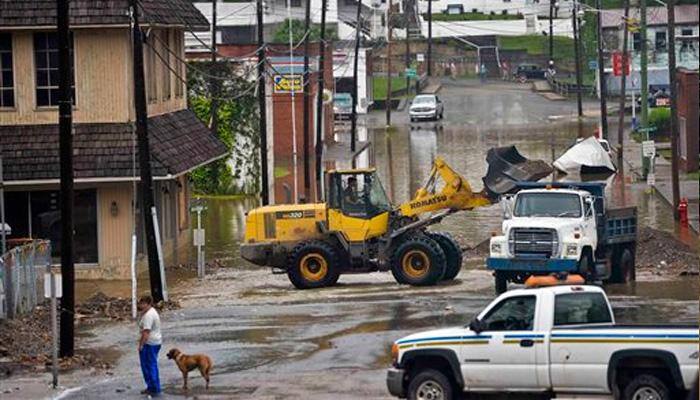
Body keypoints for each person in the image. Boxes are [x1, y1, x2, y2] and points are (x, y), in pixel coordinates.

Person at [137, 295, 162, 396]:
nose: (140, 305)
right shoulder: (150, 312)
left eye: (142, 303)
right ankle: (152, 386)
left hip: (150, 344)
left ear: (147, 303)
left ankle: (153, 388)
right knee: (151, 365)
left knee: (149, 366)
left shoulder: (149, 315)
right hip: (155, 342)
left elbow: (146, 332)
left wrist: (141, 345)